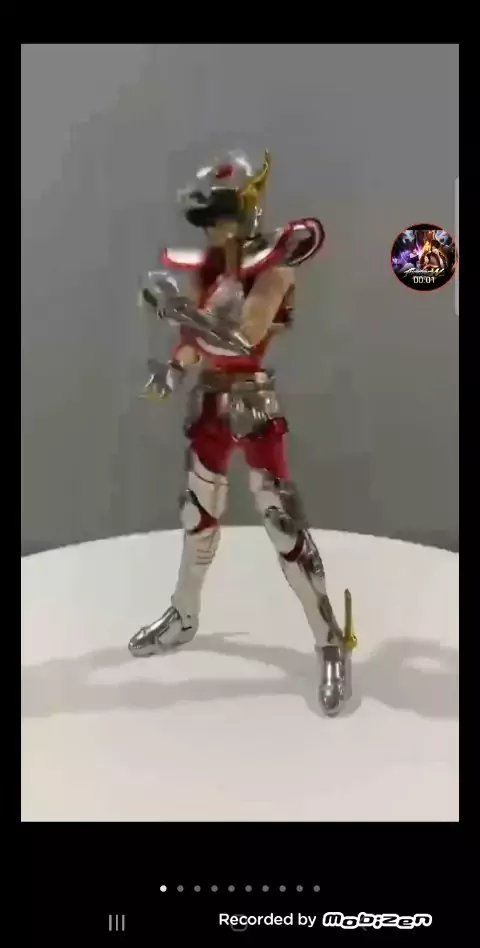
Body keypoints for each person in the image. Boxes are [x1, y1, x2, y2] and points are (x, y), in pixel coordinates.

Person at [129, 149, 356, 716]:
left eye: (222, 216)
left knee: (282, 524)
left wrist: (175, 309)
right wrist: (173, 367)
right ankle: (184, 613)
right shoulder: (210, 269)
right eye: (209, 220)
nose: (214, 231)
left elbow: (242, 339)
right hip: (210, 403)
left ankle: (329, 639)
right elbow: (196, 342)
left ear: (247, 207)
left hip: (253, 402)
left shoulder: (276, 267)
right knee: (196, 517)